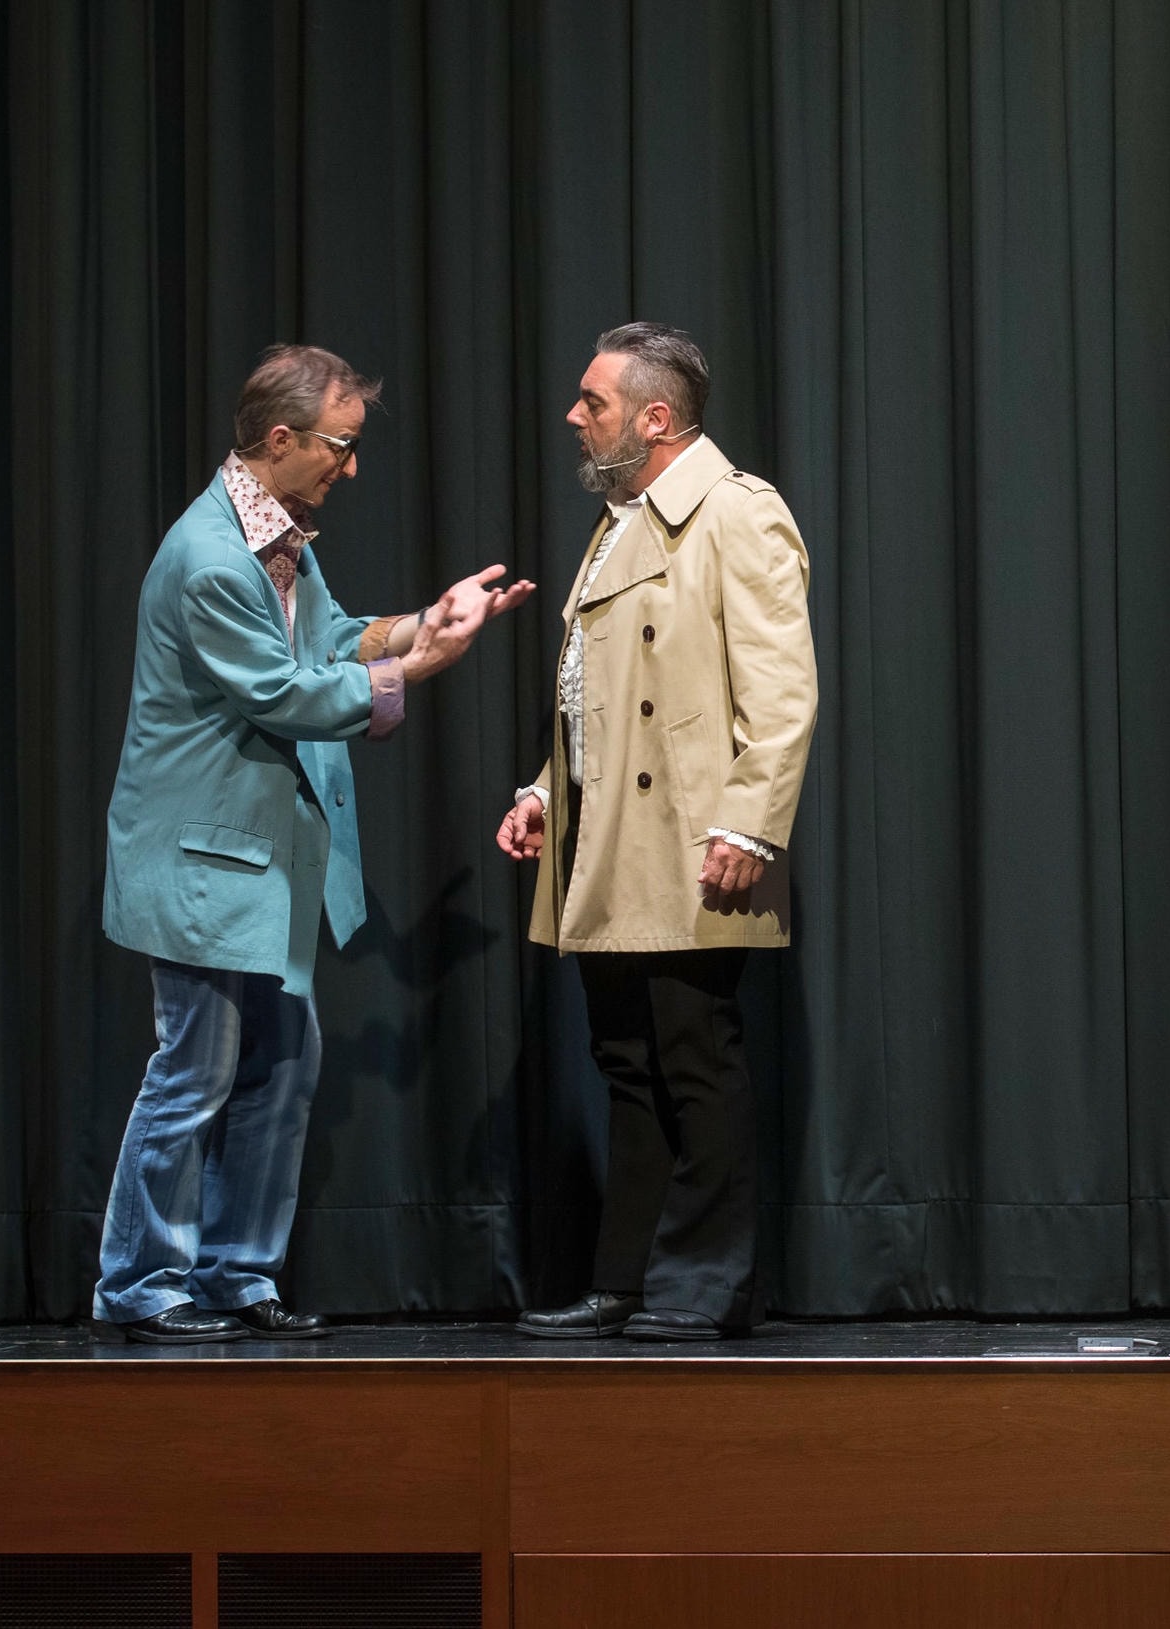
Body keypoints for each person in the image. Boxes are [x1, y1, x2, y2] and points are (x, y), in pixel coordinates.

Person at [94, 344, 535, 1344]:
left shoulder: (281, 534)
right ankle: (139, 1283)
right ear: (282, 438)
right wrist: (417, 670)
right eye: (341, 445)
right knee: (194, 1071)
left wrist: (424, 621)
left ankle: (234, 1272)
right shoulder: (211, 557)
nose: (352, 465)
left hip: (257, 859)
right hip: (203, 858)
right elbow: (284, 694)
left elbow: (329, 640)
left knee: (285, 1064)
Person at [499, 324, 816, 1343]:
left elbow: (782, 694)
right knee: (628, 1059)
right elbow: (596, 696)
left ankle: (705, 1284)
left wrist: (750, 826)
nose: (573, 415)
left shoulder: (736, 513)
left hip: (693, 838)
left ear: (656, 418)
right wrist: (544, 792)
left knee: (694, 1055)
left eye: (592, 401)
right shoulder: (619, 523)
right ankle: (626, 1277)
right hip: (610, 839)